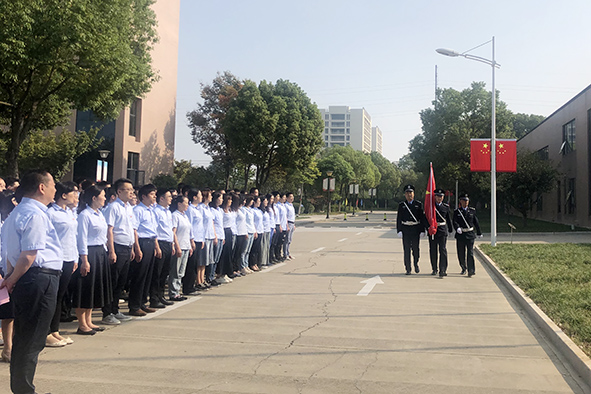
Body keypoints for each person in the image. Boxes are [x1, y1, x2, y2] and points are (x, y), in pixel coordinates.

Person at [0, 170, 62, 394]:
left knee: (25, 336)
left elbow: (9, 255)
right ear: (41, 187)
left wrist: (11, 279)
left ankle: (22, 387)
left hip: (27, 278)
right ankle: (24, 390)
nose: (56, 189)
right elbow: (28, 255)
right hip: (39, 278)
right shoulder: (35, 214)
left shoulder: (15, 214)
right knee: (31, 339)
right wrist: (12, 280)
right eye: (53, 184)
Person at [73, 185, 112, 335]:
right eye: (102, 195)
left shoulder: (100, 214)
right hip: (89, 252)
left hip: (100, 252)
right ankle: (82, 324)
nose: (104, 198)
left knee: (94, 287)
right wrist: (84, 259)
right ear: (94, 198)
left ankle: (89, 320)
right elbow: (81, 238)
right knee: (85, 288)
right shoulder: (85, 215)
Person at [46, 181, 79, 347]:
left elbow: (73, 237)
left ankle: (55, 330)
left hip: (68, 258)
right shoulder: (51, 213)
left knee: (59, 296)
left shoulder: (69, 213)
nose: (76, 196)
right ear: (64, 195)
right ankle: (46, 332)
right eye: (73, 193)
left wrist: (75, 258)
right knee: (51, 297)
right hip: (55, 259)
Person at [101, 178, 136, 325]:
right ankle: (107, 313)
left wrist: (133, 247)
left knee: (121, 282)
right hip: (117, 247)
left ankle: (115, 310)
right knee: (113, 281)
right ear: (119, 191)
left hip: (127, 247)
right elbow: (109, 229)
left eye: (132, 190)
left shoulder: (129, 208)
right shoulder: (113, 207)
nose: (131, 192)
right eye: (128, 190)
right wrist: (112, 251)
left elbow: (131, 229)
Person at [128, 184, 162, 316]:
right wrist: (137, 248)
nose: (155, 196)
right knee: (139, 275)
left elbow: (153, 231)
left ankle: (143, 302)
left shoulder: (151, 210)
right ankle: (134, 305)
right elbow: (134, 230)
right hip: (141, 242)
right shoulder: (138, 210)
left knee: (148, 275)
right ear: (144, 196)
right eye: (152, 194)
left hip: (150, 242)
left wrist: (156, 246)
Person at [150, 188, 175, 308]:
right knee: (157, 273)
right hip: (160, 243)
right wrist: (156, 246)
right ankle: (154, 298)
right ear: (161, 199)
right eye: (169, 197)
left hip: (168, 243)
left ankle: (161, 296)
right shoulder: (156, 212)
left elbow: (170, 229)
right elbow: (154, 230)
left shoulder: (168, 212)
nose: (171, 199)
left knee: (165, 272)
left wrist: (173, 244)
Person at [168, 195, 195, 301]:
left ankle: (177, 291)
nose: (187, 205)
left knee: (181, 271)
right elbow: (173, 232)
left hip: (186, 246)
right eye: (186, 203)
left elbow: (188, 232)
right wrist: (177, 246)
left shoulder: (184, 216)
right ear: (179, 204)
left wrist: (190, 245)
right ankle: (173, 292)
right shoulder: (175, 215)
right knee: (175, 270)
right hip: (179, 246)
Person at [396, 184, 427, 275]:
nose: (409, 194)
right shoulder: (402, 205)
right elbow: (399, 218)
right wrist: (399, 230)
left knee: (416, 249)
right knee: (406, 250)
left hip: (415, 229)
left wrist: (422, 230)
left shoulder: (418, 204)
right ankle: (408, 268)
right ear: (405, 194)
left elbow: (422, 218)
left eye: (411, 192)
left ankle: (416, 263)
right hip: (405, 229)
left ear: (413, 194)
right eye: (407, 193)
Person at [453, 193, 482, 277]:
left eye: (467, 201)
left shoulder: (472, 211)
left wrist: (479, 232)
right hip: (461, 234)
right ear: (460, 201)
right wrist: (457, 228)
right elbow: (454, 221)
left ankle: (471, 270)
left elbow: (475, 222)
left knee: (470, 253)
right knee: (461, 253)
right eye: (464, 200)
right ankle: (463, 267)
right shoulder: (457, 212)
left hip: (470, 234)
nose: (465, 202)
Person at [428, 188, 453, 278]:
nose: (439, 198)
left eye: (441, 196)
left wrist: (450, 229)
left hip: (442, 230)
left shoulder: (445, 207)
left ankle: (443, 269)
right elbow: (426, 217)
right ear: (435, 197)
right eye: (438, 196)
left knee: (442, 250)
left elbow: (448, 219)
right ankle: (434, 268)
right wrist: (427, 227)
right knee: (433, 250)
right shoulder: (431, 206)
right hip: (433, 230)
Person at [183, 188, 203, 295]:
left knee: (195, 264)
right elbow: (189, 225)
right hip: (193, 239)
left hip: (199, 239)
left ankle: (192, 285)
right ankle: (188, 287)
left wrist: (202, 239)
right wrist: (191, 240)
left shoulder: (198, 209)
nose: (201, 197)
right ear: (194, 197)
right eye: (200, 195)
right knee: (190, 265)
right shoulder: (190, 209)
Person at [285, 192, 296, 260]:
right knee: (287, 239)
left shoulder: (291, 205)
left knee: (290, 240)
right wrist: (287, 225)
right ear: (287, 198)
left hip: (292, 223)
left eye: (292, 197)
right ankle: (285, 253)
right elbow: (285, 216)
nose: (292, 198)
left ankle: (288, 253)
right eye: (290, 197)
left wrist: (294, 224)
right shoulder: (286, 206)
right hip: (288, 223)